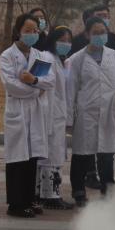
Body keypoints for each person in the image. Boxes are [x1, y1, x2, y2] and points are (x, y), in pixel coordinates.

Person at [68, 16, 115, 207]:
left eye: (103, 32)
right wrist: (69, 118)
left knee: (106, 155)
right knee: (82, 154)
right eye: (96, 33)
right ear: (87, 34)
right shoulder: (77, 59)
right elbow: (71, 90)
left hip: (108, 111)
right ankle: (79, 191)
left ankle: (108, 190)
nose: (100, 36)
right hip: (86, 113)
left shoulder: (114, 55)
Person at [0, 14, 55, 218]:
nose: (32, 34)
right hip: (18, 111)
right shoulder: (7, 55)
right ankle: (15, 204)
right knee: (17, 158)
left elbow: (50, 81)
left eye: (35, 31)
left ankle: (29, 199)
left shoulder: (40, 55)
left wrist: (33, 80)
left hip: (35, 112)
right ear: (18, 31)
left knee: (31, 157)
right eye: (27, 30)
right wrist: (36, 90)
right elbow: (11, 85)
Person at [37, 26, 75, 211]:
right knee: (50, 155)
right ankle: (49, 195)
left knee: (55, 154)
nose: (66, 44)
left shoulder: (61, 61)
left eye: (69, 41)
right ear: (53, 40)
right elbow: (37, 82)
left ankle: (48, 193)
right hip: (48, 115)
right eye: (62, 40)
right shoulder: (45, 57)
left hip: (58, 115)